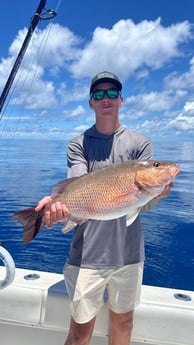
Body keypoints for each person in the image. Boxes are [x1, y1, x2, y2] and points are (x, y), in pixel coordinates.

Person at [36, 71, 172, 345]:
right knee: (80, 333)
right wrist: (57, 207)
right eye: (99, 94)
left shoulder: (141, 144)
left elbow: (140, 206)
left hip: (129, 253)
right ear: (91, 103)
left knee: (124, 322)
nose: (105, 99)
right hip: (87, 255)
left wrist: (157, 193)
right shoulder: (77, 144)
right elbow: (78, 185)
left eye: (112, 93)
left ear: (121, 100)